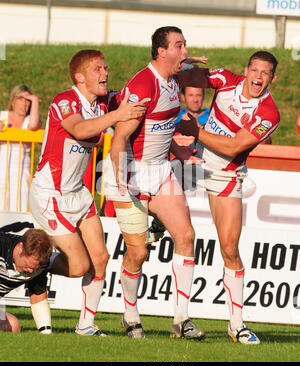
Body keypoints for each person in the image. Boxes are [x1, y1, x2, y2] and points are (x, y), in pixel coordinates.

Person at [29, 49, 146, 337]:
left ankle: (85, 325)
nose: (105, 73)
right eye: (97, 69)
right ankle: (33, 265)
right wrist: (118, 115)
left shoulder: (105, 102)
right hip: (50, 194)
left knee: (101, 258)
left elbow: (140, 92)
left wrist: (173, 71)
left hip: (78, 192)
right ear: (79, 77)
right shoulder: (64, 101)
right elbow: (80, 130)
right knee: (80, 264)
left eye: (105, 68)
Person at [103, 26, 207, 340]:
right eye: (179, 46)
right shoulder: (144, 85)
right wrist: (122, 178)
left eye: (185, 45)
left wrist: (191, 62)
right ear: (161, 51)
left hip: (160, 171)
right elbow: (120, 136)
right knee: (138, 254)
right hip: (131, 173)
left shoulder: (174, 80)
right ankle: (131, 315)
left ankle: (181, 320)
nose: (185, 51)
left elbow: (185, 69)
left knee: (187, 235)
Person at [173, 50, 280, 345]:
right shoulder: (226, 80)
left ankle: (236, 325)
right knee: (180, 231)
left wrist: (196, 130)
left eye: (265, 73)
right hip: (192, 165)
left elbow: (234, 148)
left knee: (230, 248)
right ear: (246, 69)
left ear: (272, 78)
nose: (258, 77)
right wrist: (182, 63)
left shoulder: (268, 113)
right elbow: (178, 78)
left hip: (226, 176)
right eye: (254, 70)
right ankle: (180, 319)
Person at [148, 86, 209, 243]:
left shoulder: (210, 117)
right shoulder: (176, 117)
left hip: (207, 164)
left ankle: (160, 222)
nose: (195, 99)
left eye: (198, 95)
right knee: (176, 168)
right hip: (182, 165)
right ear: (183, 97)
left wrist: (201, 133)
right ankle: (160, 222)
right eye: (191, 95)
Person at [0, 228, 53, 333]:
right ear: (21, 247)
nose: (30, 271)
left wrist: (46, 335)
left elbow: (38, 296)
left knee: (13, 326)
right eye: (27, 265)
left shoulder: (40, 266)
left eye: (34, 268)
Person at [0, 85, 42, 212]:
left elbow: (34, 125)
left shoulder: (31, 120)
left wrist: (35, 100)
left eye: (28, 101)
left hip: (21, 168)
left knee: (20, 203)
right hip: (1, 165)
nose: (25, 104)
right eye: (21, 99)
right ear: (13, 101)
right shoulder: (2, 116)